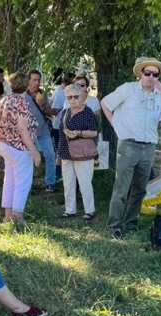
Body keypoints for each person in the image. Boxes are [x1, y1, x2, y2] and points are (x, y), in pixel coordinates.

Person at [102, 57, 161, 238]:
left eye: (155, 74)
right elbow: (105, 104)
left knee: (139, 190)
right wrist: (116, 125)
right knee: (121, 189)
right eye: (148, 73)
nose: (151, 77)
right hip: (128, 146)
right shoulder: (127, 89)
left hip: (148, 149)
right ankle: (113, 226)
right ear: (141, 73)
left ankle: (131, 224)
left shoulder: (160, 98)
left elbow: (160, 124)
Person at [0, 72, 41, 227]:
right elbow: (22, 128)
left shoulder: (4, 100)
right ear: (26, 83)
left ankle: (7, 216)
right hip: (20, 147)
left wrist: (1, 142)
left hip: (6, 145)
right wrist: (34, 150)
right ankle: (19, 218)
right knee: (22, 182)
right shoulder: (21, 102)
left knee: (9, 180)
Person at [57, 83, 98, 220]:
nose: (73, 99)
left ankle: (89, 210)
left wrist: (78, 133)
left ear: (81, 97)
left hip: (83, 153)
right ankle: (70, 210)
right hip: (66, 153)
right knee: (68, 183)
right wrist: (59, 154)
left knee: (85, 182)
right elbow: (61, 136)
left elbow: (94, 132)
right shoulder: (65, 113)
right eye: (70, 97)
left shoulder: (88, 112)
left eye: (76, 96)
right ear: (66, 98)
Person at [25, 69, 57, 192]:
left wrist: (43, 105)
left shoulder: (42, 94)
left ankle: (50, 182)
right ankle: (28, 183)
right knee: (28, 159)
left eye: (38, 80)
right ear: (28, 80)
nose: (37, 82)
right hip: (28, 133)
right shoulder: (23, 95)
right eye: (34, 80)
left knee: (50, 155)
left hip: (43, 131)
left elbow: (47, 111)